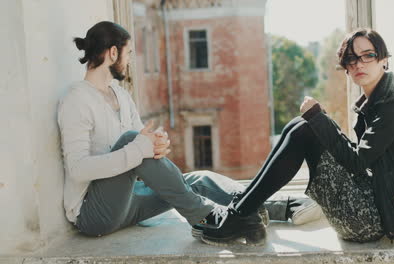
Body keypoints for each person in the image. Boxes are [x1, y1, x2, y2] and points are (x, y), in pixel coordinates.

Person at [57, 21, 319, 240]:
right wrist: (139, 148)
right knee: (131, 141)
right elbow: (79, 168)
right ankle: (209, 219)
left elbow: (141, 144)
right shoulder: (76, 99)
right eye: (128, 53)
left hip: (130, 202)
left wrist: (156, 144)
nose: (129, 61)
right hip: (93, 215)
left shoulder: (121, 96)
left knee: (198, 180)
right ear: (113, 53)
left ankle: (279, 207)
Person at [200, 28, 394, 246]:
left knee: (308, 127)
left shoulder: (393, 105)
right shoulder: (376, 103)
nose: (359, 63)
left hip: (372, 220)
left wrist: (319, 119)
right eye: (351, 59)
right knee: (302, 124)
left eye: (368, 55)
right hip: (373, 204)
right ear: (346, 68)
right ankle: (240, 211)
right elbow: (364, 161)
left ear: (384, 59)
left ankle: (240, 213)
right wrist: (319, 121)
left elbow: (357, 162)